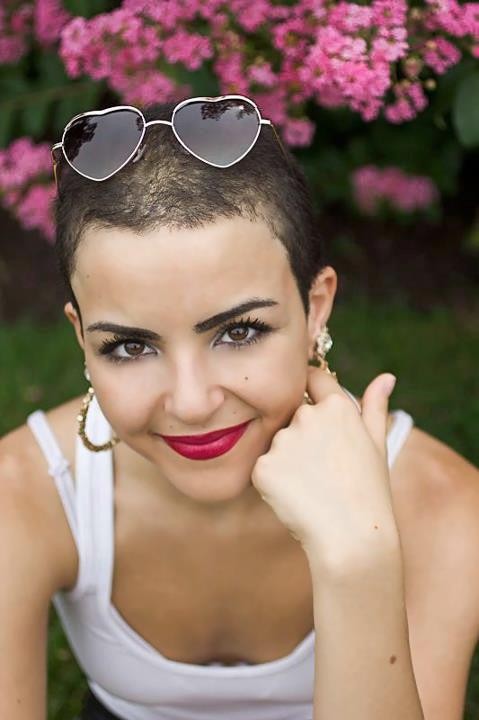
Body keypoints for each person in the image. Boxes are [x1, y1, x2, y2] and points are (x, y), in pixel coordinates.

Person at [1, 96, 478, 720]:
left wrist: (358, 563)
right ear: (81, 338)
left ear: (316, 309)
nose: (192, 403)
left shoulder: (442, 507)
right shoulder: (23, 493)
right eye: (130, 346)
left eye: (239, 331)